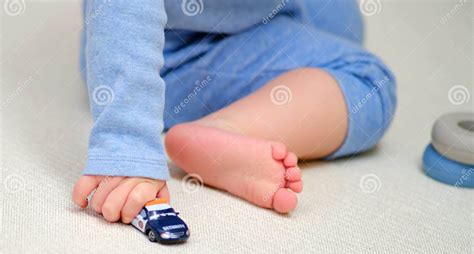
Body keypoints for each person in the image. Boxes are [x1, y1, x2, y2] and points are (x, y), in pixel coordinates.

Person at [72, 0, 396, 222]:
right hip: (169, 57)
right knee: (367, 84)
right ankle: (226, 130)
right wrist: (128, 144)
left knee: (342, 20)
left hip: (246, 14)